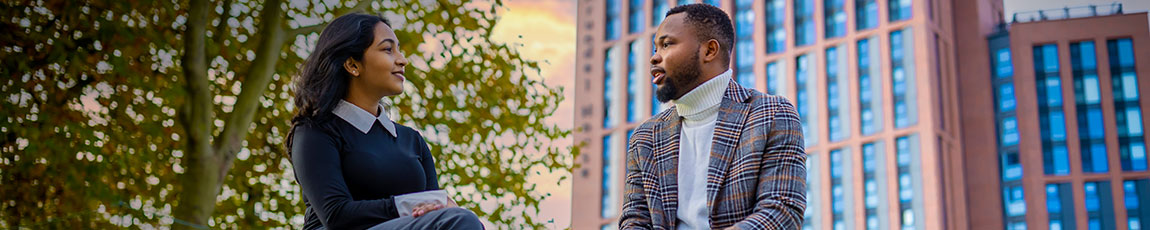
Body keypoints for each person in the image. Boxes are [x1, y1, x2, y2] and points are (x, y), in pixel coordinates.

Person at [287, 13, 483, 230]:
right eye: (388, 49)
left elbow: (435, 213)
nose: (402, 60)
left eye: (398, 49)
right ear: (353, 64)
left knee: (459, 219)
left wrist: (441, 208)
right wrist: (410, 205)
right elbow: (335, 215)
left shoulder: (412, 140)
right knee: (460, 221)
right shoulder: (314, 132)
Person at [619, 4, 807, 229]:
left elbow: (782, 211)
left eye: (667, 44)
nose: (654, 58)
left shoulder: (771, 115)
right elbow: (634, 221)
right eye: (655, 48)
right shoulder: (645, 138)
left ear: (709, 51)